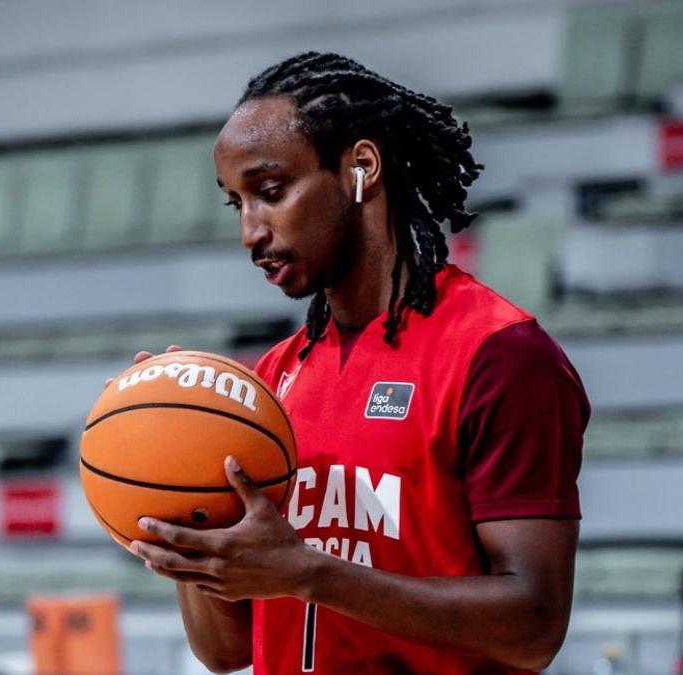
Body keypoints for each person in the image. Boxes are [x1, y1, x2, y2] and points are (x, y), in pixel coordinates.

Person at [122, 52, 588, 673]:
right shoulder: (269, 382)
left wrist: (310, 573)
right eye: (238, 205)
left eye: (271, 192)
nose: (251, 233)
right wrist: (184, 474)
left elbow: (533, 626)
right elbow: (225, 650)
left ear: (360, 168)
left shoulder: (499, 354)